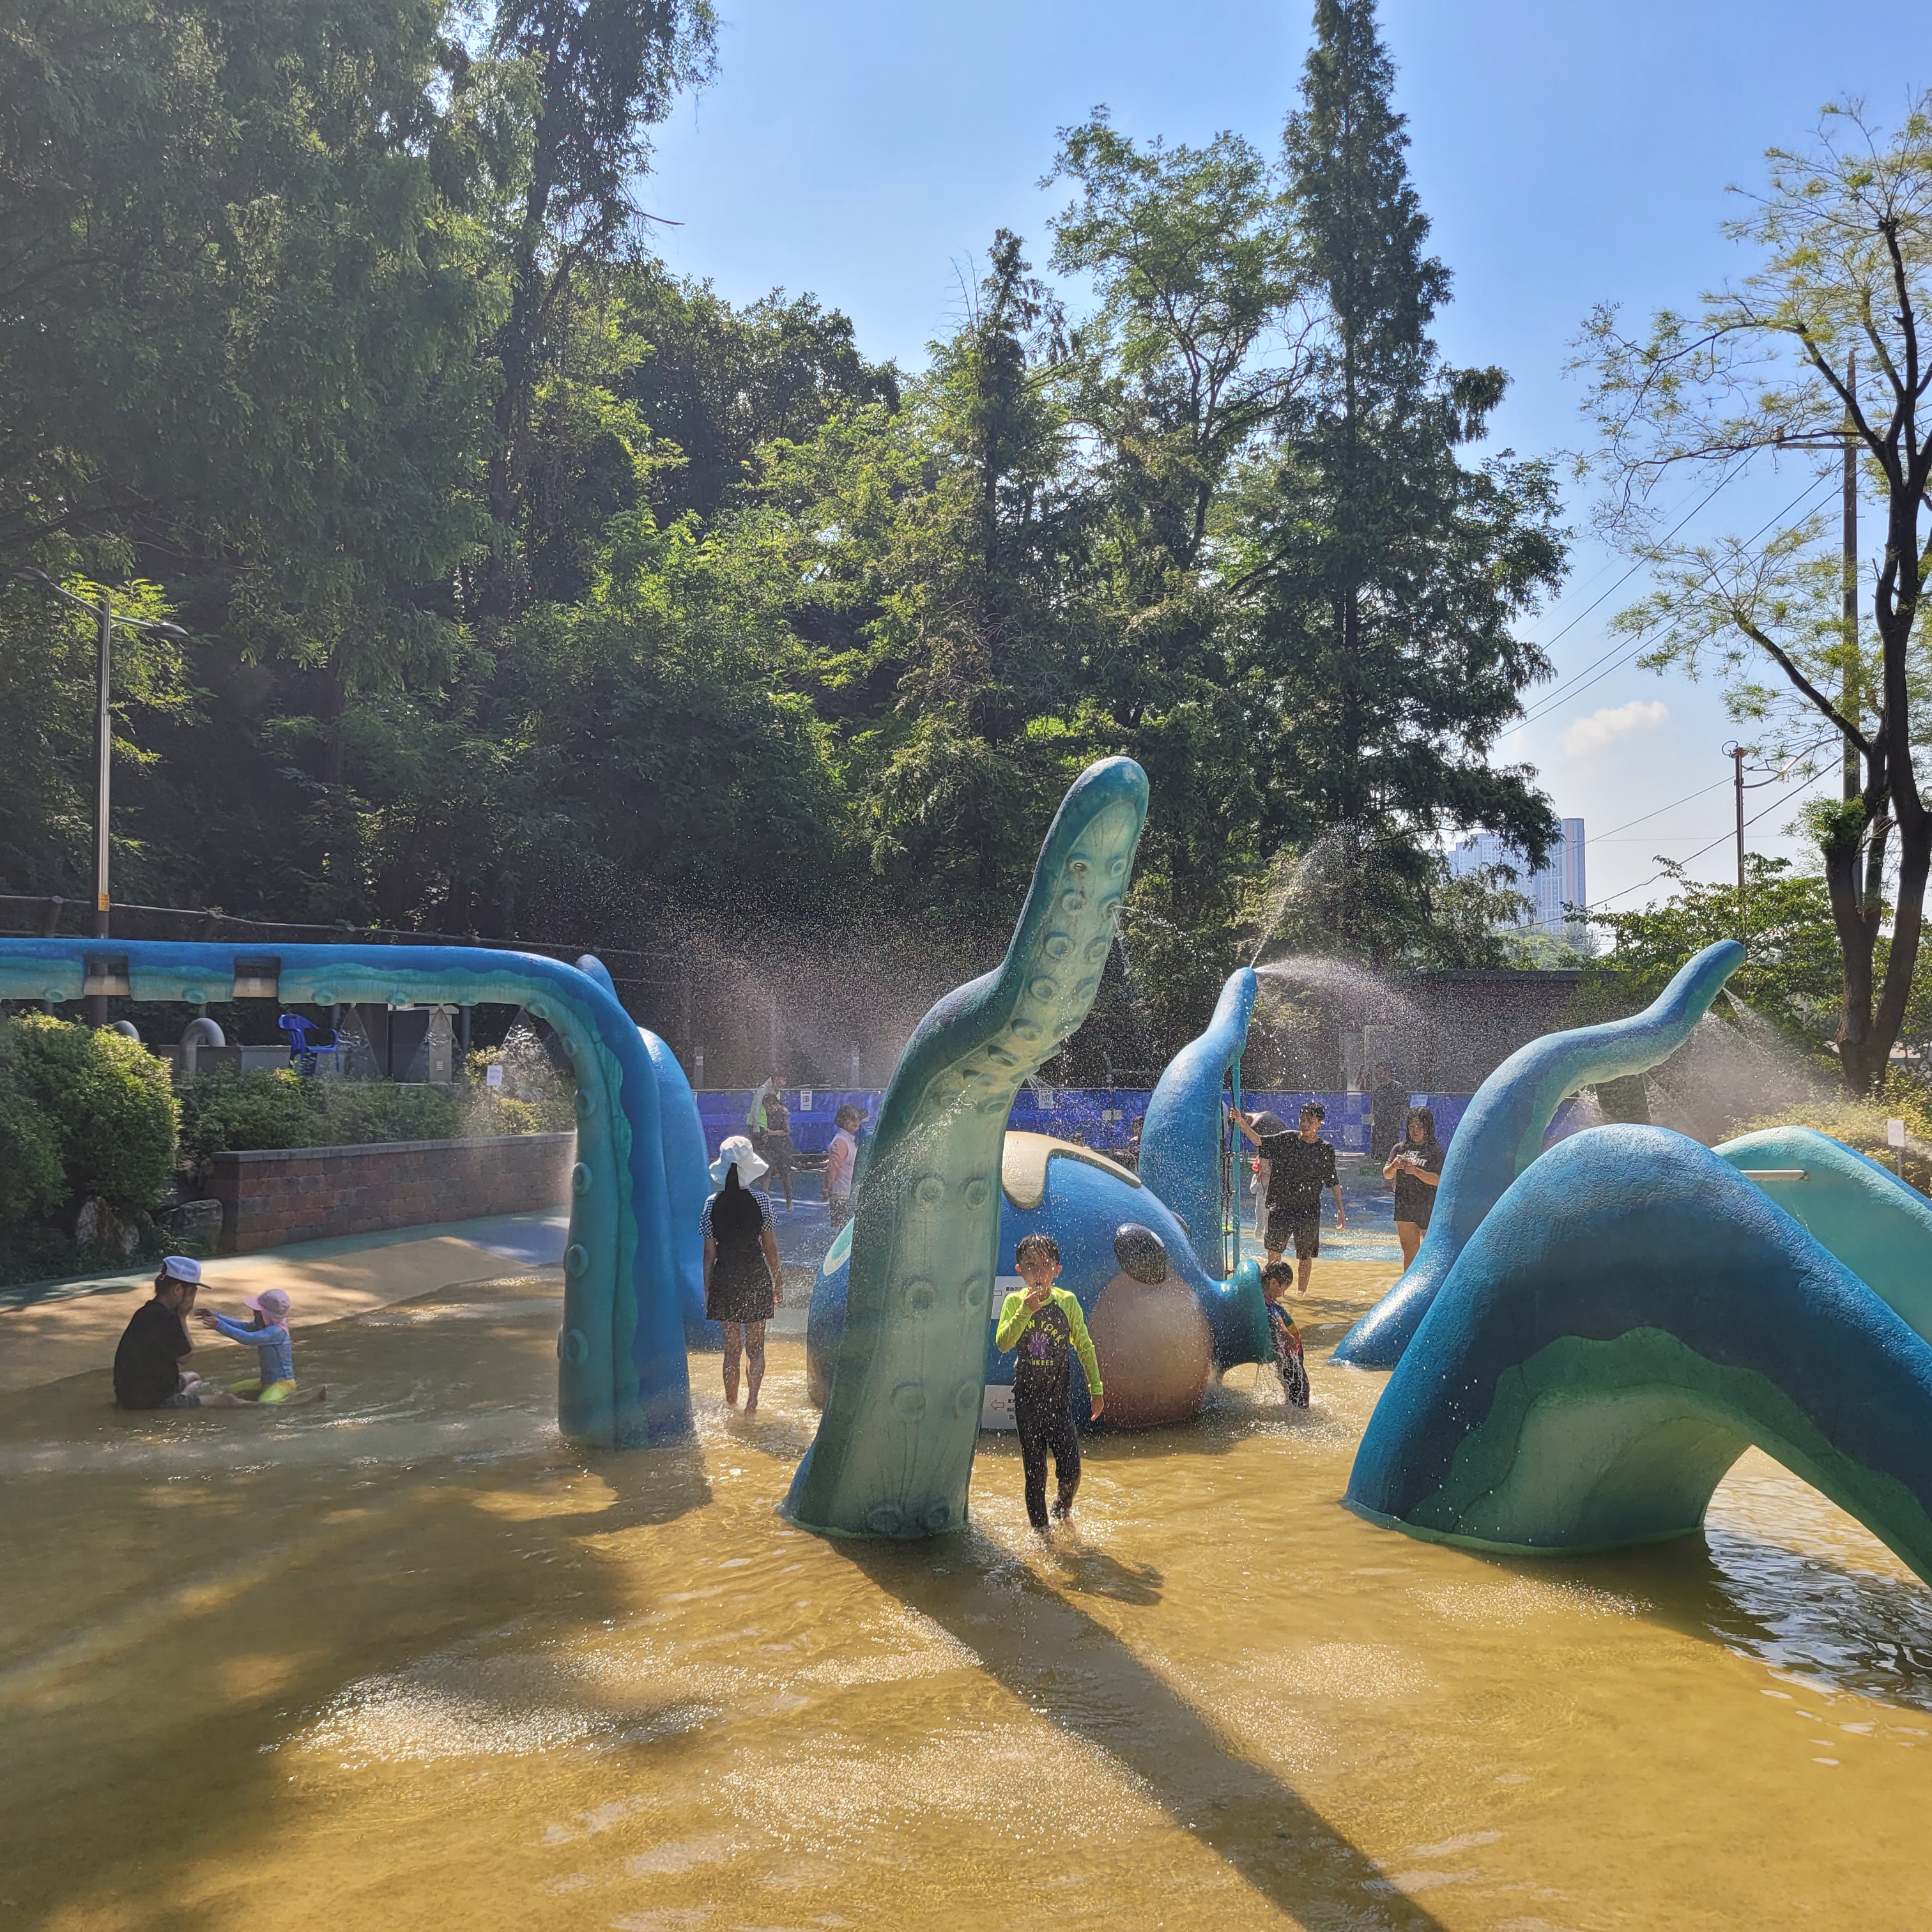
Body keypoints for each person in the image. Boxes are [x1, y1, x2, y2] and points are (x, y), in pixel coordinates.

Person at [994, 1232, 1104, 1531]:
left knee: (1072, 1469)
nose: (1038, 1272)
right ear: (1020, 1271)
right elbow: (1003, 1343)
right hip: (1027, 1404)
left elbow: (1085, 1346)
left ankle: (1062, 1510)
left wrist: (1096, 1389)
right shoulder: (1014, 1303)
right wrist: (1024, 1312)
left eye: (1045, 1265)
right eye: (1030, 1266)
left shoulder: (1067, 1303)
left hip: (1059, 1403)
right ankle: (1042, 1534)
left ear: (1057, 1270)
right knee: (1035, 1474)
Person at [702, 1135, 783, 1415]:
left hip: (725, 1278)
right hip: (755, 1276)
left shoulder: (711, 1203)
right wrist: (778, 1280)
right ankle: (752, 1403)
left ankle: (731, 1404)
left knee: (731, 1350)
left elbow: (709, 1254)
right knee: (756, 1349)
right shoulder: (762, 1202)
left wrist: (708, 1290)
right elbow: (770, 1248)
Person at [1232, 1100, 1344, 1296]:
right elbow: (1260, 1142)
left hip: (1308, 1209)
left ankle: (1301, 1295)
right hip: (1281, 1206)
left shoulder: (1325, 1150)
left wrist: (1341, 1209)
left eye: (1310, 1119)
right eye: (1302, 1118)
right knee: (1274, 1250)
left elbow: (1333, 1182)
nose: (1305, 1123)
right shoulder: (1286, 1139)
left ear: (1320, 1123)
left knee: (1305, 1255)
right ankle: (1272, 1292)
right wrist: (1241, 1123)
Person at [112, 1257, 247, 1409]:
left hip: (129, 1394)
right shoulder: (167, 1317)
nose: (192, 1299)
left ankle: (182, 1399)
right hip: (152, 1400)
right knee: (228, 1400)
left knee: (194, 1378)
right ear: (177, 1290)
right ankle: (266, 1407)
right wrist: (182, 1316)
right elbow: (186, 1356)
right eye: (192, 1293)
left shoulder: (148, 1310)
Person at [194, 1287, 310, 1402]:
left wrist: (220, 1326)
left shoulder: (276, 1332)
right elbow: (244, 1327)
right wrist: (217, 1317)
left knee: (265, 1403)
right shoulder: (265, 1325)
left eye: (257, 1311)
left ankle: (291, 1402)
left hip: (283, 1384)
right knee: (231, 1390)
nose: (254, 1312)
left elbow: (248, 1339)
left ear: (267, 1315)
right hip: (266, 1383)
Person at [1383, 1105, 1446, 1269]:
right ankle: (1409, 1284)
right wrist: (1394, 1166)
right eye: (1412, 1126)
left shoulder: (1435, 1151)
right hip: (1404, 1206)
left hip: (1428, 1206)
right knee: (1410, 1255)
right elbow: (1387, 1175)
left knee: (1432, 1254)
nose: (1415, 1130)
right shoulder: (1400, 1148)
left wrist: (1416, 1171)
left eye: (1420, 1127)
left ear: (1428, 1128)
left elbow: (1439, 1180)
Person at [1261, 1259, 1309, 1407]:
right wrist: (1286, 1334)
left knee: (1294, 1388)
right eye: (1284, 1289)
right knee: (1300, 1392)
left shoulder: (1267, 1299)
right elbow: (1275, 1317)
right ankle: (1293, 1413)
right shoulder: (1267, 1303)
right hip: (1287, 1354)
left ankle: (1288, 1406)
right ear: (1274, 1283)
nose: (1283, 1294)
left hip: (1290, 1354)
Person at [1245, 1110, 1289, 1240]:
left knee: (1269, 1219)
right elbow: (1252, 1190)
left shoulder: (1273, 1178)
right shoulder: (1258, 1178)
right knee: (1260, 1221)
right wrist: (1259, 1179)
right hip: (1260, 1206)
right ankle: (1260, 1237)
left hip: (1270, 1205)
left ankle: (1268, 1236)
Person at [823, 1103, 864, 1231]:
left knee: (844, 1228)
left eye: (858, 1118)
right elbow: (832, 1167)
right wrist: (828, 1188)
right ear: (843, 1121)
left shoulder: (848, 1140)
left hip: (847, 1192)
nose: (857, 1122)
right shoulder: (841, 1141)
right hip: (841, 1193)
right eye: (853, 1118)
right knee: (840, 1228)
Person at [761, 1084, 795, 1211]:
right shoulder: (766, 1113)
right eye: (766, 1108)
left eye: (769, 1108)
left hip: (783, 1147)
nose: (768, 1111)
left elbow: (786, 1132)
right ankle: (764, 1202)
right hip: (770, 1147)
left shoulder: (784, 1112)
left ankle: (789, 1201)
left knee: (785, 1175)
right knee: (766, 1173)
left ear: (775, 1105)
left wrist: (772, 1133)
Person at [1369, 1064, 1407, 1165]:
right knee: (1381, 1153)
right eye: (1376, 1074)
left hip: (1393, 1127)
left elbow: (1404, 1107)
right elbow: (1375, 1110)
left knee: (1394, 1151)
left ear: (1387, 1073)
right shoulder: (1378, 1091)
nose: (1378, 1076)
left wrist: (1399, 1122)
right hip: (1380, 1127)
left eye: (1380, 1073)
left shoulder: (1397, 1088)